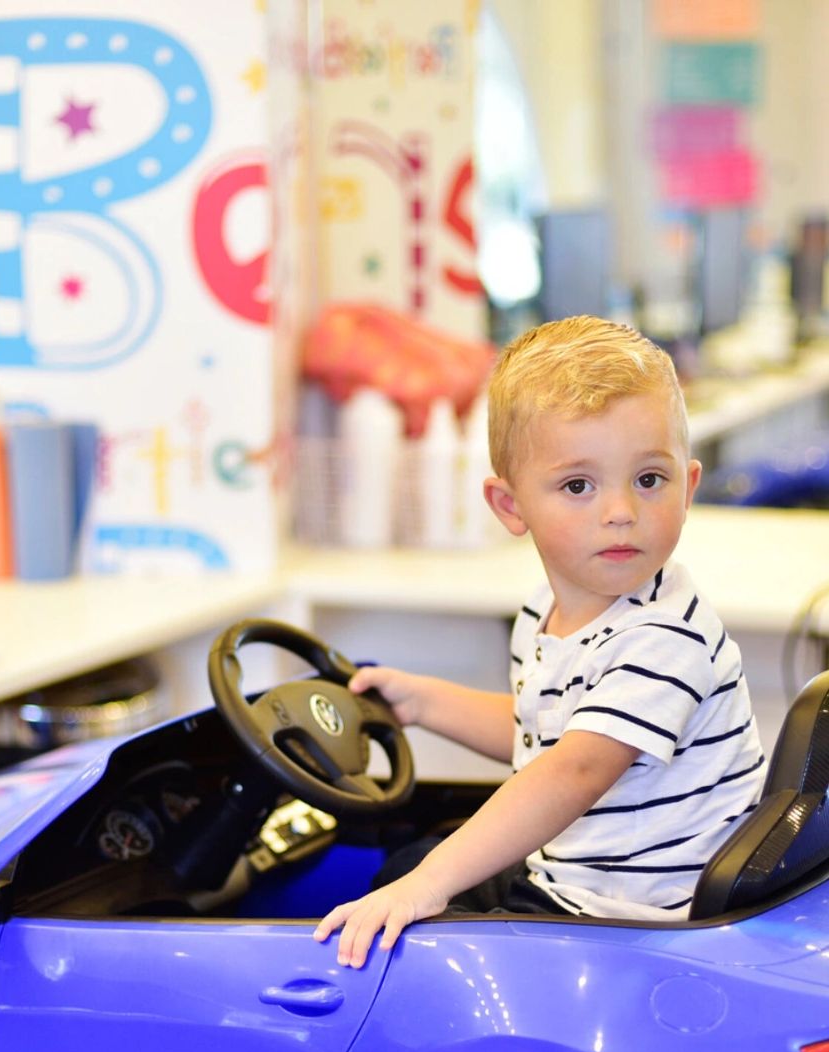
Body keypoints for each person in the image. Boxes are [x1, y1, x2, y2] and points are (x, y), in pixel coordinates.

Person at [314, 315, 767, 967]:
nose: (620, 511)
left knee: (414, 921)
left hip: (630, 923)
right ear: (510, 505)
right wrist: (422, 703)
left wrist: (428, 886)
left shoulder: (667, 636)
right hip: (579, 884)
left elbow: (573, 771)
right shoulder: (546, 611)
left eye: (649, 479)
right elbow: (546, 734)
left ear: (688, 486)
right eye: (578, 485)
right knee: (406, 863)